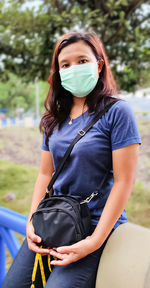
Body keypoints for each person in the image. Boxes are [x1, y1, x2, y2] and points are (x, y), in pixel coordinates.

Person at [2, 29, 142, 288]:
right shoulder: (53, 118)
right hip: (53, 219)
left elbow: (125, 181)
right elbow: (45, 174)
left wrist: (93, 242)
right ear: (58, 72)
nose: (73, 68)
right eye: (65, 64)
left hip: (93, 227)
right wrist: (32, 220)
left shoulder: (117, 112)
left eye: (82, 61)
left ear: (99, 65)